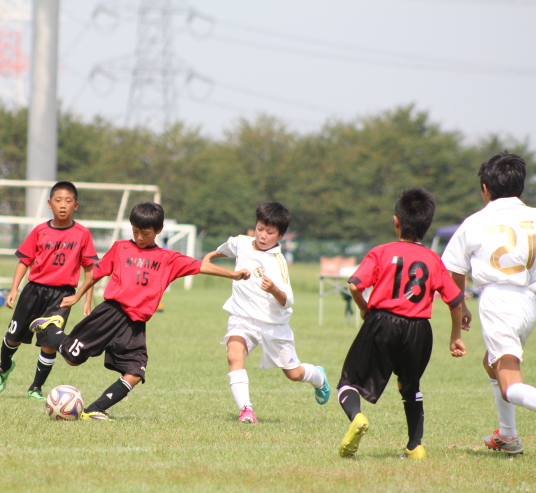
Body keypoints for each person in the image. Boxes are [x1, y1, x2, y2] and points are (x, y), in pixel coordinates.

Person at [32, 202, 251, 420]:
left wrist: (232, 274)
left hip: (135, 325)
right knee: (72, 358)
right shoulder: (120, 248)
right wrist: (78, 295)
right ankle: (50, 326)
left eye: (145, 233)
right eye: (135, 231)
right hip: (111, 313)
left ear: (158, 230)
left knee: (136, 372)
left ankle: (94, 409)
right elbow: (95, 274)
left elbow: (201, 266)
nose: (139, 237)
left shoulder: (168, 259)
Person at [337, 187, 466, 460]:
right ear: (427, 226)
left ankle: (357, 417)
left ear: (396, 221)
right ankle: (415, 446)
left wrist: (364, 309)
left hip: (382, 322)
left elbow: (355, 286)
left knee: (348, 383)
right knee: (410, 386)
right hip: (419, 329)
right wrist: (456, 336)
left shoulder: (381, 252)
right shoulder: (433, 259)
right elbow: (455, 301)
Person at [442, 151, 536, 456]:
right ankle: (507, 435)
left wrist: (462, 305)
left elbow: (453, 268)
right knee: (492, 363)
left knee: (510, 380)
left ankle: (509, 434)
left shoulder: (476, 221)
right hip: (529, 301)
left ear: (485, 188)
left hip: (498, 300)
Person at [202, 201, 330, 424]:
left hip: (273, 324)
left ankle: (318, 377)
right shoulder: (242, 243)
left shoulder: (277, 262)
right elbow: (226, 248)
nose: (262, 235)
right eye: (260, 228)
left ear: (280, 235)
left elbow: (287, 300)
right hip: (242, 318)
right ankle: (246, 410)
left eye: (269, 232)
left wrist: (273, 289)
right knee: (234, 355)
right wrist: (209, 258)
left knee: (294, 374)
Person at [0, 181, 98, 401]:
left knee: (49, 344)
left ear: (76, 205)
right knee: (13, 338)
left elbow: (90, 270)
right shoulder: (40, 230)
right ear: (49, 203)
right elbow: (24, 261)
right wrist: (14, 288)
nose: (62, 205)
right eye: (58, 200)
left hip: (62, 296)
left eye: (68, 201)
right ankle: (3, 368)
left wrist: (86, 300)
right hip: (33, 292)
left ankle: (35, 387)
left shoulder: (82, 234)